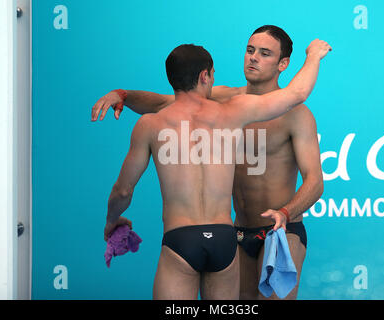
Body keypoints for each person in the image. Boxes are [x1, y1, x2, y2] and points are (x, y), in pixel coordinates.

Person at [99, 34, 330, 300]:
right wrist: (123, 95)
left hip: (280, 230)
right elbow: (163, 102)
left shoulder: (296, 114)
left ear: (283, 64)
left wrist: (286, 213)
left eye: (265, 53)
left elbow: (315, 182)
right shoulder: (225, 102)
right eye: (250, 50)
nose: (253, 57)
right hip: (235, 234)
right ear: (205, 77)